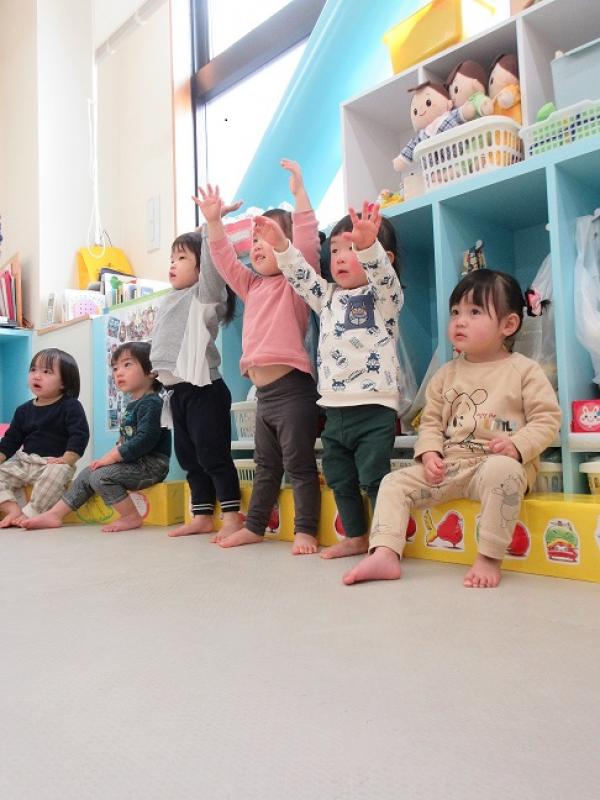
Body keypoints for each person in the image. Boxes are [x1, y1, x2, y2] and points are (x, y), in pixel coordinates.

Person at [343, 269, 562, 588]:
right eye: (455, 312)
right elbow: (431, 422)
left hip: (495, 464)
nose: (460, 321)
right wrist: (430, 453)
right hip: (450, 466)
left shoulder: (524, 370)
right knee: (392, 482)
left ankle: (489, 557)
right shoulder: (446, 374)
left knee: (503, 472)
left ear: (508, 324)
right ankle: (385, 552)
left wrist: (517, 447)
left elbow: (547, 419)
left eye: (474, 312)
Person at [254, 201, 403, 559]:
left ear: (384, 257)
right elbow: (300, 275)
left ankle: (386, 541)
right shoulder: (328, 298)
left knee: (374, 477)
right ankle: (356, 536)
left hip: (374, 407)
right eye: (335, 250)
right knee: (339, 476)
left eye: (352, 249)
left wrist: (369, 249)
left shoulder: (385, 299)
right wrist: (281, 245)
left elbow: (384, 278)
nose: (340, 257)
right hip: (334, 409)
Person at [195, 160, 321, 555]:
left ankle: (305, 531)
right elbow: (224, 260)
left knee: (299, 466)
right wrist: (214, 222)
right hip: (263, 397)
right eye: (255, 238)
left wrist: (300, 195)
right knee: (266, 467)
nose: (258, 244)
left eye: (268, 237)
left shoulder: (296, 282)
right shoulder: (252, 285)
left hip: (294, 392)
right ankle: (254, 526)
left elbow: (306, 245)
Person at [150, 212, 244, 538]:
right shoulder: (168, 299)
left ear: (200, 267)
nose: (173, 264)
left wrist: (208, 231)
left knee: (213, 454)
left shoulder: (203, 296)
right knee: (189, 457)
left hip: (205, 389)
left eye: (181, 258)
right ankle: (202, 514)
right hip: (178, 393)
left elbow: (214, 272)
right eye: (171, 258)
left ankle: (231, 515)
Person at [22, 342, 171, 533]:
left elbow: (144, 440)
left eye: (127, 365)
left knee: (101, 476)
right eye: (115, 368)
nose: (118, 373)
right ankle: (55, 514)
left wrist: (112, 457)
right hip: (136, 463)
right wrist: (112, 457)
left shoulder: (152, 403)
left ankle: (130, 517)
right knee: (88, 472)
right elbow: (126, 440)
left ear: (151, 371)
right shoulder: (133, 403)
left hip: (152, 465)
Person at [0, 348, 89, 527]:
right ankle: (12, 510)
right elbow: (11, 440)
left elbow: (79, 434)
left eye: (46, 371)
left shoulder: (71, 406)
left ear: (64, 382)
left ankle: (33, 512)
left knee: (58, 473)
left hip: (51, 463)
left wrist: (67, 459)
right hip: (25, 461)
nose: (37, 376)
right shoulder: (23, 410)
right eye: (33, 369)